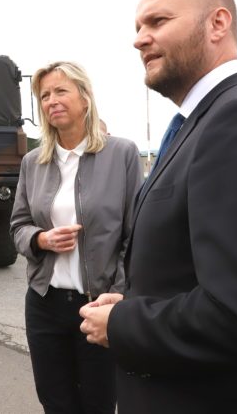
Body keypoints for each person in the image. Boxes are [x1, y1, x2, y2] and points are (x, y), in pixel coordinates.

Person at [79, 0, 237, 413]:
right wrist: (135, 302)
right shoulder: (200, 123)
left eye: (158, 21)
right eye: (137, 27)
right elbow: (192, 272)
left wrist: (123, 323)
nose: (139, 39)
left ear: (217, 23)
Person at [11, 61, 143, 414]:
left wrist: (119, 292)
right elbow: (19, 226)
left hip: (99, 304)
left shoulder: (122, 154)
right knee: (55, 403)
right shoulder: (33, 162)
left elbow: (136, 235)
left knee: (99, 403)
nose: (51, 100)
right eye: (44, 95)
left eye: (61, 91)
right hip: (44, 303)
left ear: (85, 98)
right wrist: (41, 240)